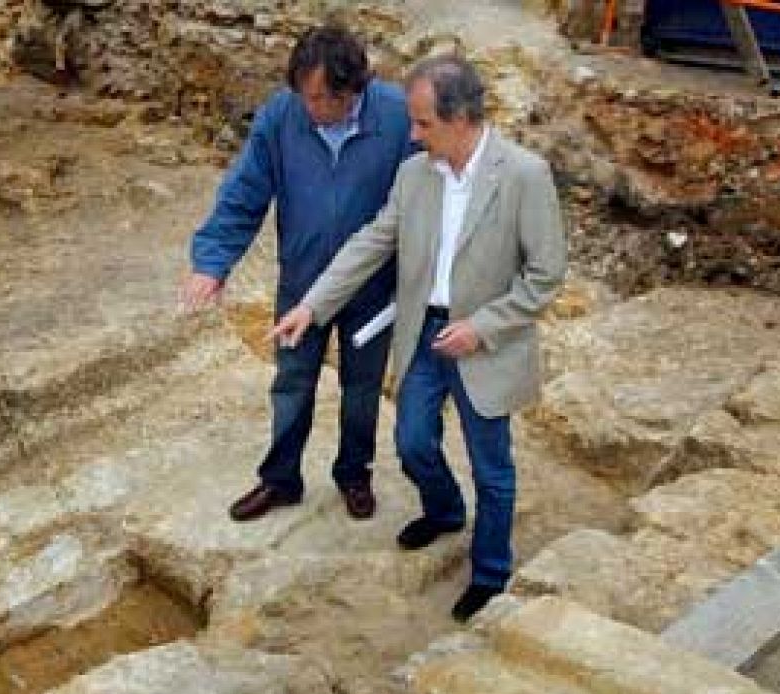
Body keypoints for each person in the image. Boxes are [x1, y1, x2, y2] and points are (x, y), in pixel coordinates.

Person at [269, 54, 567, 622]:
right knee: (411, 443)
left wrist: (482, 328)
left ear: (461, 119)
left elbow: (546, 274)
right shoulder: (415, 174)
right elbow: (371, 243)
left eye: (423, 123)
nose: (412, 134)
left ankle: (489, 574)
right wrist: (312, 305)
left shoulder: (525, 175)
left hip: (486, 340)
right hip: (425, 334)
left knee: (492, 468)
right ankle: (445, 510)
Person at [181, 24, 412, 522]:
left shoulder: (398, 117)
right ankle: (280, 479)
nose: (312, 109)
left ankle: (354, 474)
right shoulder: (281, 117)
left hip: (372, 286)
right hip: (302, 280)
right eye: (303, 96)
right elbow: (244, 194)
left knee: (362, 389)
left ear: (356, 89)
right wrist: (213, 261)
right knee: (291, 383)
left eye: (323, 98)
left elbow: (425, 201)